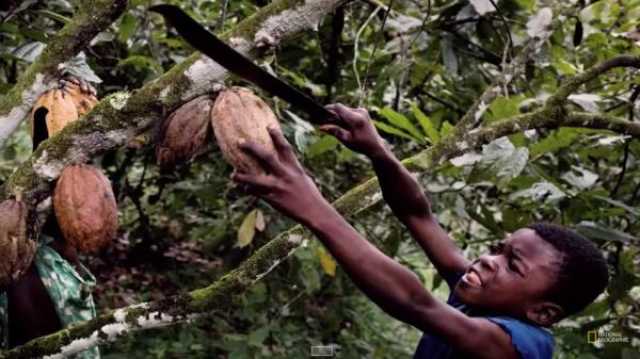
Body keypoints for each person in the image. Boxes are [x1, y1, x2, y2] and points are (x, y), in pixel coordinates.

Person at [232, 104, 609, 359]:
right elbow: (417, 215)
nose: (488, 260)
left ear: (542, 312)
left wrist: (314, 208)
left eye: (513, 265)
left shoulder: (518, 344)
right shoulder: (481, 296)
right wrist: (378, 150)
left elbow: (415, 303)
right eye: (498, 249)